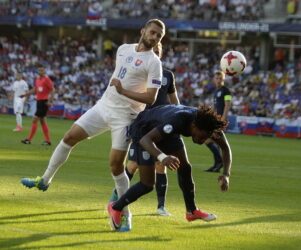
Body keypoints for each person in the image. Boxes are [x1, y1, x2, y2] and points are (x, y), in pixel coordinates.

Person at [20, 19, 166, 232]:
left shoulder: (154, 63)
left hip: (125, 116)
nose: (154, 37)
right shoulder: (123, 49)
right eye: (152, 32)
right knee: (69, 137)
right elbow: (119, 75)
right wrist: (115, 91)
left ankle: (125, 213)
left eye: (158, 36)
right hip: (103, 106)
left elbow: (151, 98)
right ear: (143, 31)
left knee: (116, 166)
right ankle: (44, 180)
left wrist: (123, 91)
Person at [107, 104, 232, 232]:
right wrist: (163, 157)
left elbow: (225, 148)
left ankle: (192, 211)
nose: (203, 140)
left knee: (185, 167)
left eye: (206, 137)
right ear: (194, 126)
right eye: (202, 136)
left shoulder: (210, 125)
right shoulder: (177, 120)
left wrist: (226, 174)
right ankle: (116, 207)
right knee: (147, 184)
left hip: (167, 132)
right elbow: (146, 140)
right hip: (143, 130)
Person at [109, 43, 179, 217]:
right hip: (143, 125)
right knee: (132, 165)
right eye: (152, 51)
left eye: (157, 51)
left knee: (160, 166)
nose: (153, 54)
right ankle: (114, 199)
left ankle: (161, 207)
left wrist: (178, 116)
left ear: (160, 55)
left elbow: (175, 101)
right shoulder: (141, 72)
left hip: (160, 127)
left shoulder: (169, 76)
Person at [20, 65, 55, 145]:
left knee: (35, 118)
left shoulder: (47, 79)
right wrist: (25, 94)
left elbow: (53, 89)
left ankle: (29, 139)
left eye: (42, 70)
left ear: (44, 71)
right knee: (42, 121)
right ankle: (48, 140)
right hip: (39, 101)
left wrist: (50, 101)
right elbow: (35, 89)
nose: (40, 72)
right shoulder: (37, 80)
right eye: (39, 70)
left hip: (44, 102)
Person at [205, 71, 232, 172]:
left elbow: (227, 105)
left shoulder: (226, 91)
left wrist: (223, 119)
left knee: (209, 140)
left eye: (220, 78)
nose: (218, 80)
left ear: (223, 79)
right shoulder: (216, 91)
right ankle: (217, 164)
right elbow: (215, 106)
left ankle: (219, 162)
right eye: (216, 78)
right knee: (213, 141)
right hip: (216, 120)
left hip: (221, 120)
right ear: (214, 79)